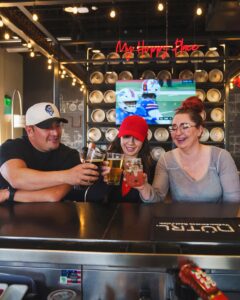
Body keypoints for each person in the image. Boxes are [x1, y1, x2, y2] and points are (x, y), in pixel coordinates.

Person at [139, 96, 240, 203]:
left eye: (185, 126)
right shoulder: (166, 160)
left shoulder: (221, 157)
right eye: (174, 127)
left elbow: (233, 202)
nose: (178, 133)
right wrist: (143, 187)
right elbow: (157, 199)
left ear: (199, 130)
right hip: (180, 219)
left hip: (216, 219)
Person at [0, 102, 100, 203]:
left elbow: (53, 196)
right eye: (47, 127)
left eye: (57, 126)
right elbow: (17, 179)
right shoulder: (11, 147)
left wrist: (8, 194)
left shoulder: (69, 155)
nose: (55, 133)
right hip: (8, 216)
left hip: (51, 217)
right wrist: (68, 176)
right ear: (30, 130)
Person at [85, 115, 156, 203]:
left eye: (137, 138)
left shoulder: (151, 167)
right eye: (126, 136)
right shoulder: (105, 162)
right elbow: (90, 199)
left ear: (144, 141)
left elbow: (154, 204)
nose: (131, 143)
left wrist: (144, 187)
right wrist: (104, 182)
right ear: (120, 137)